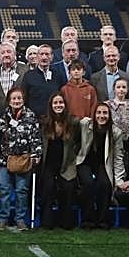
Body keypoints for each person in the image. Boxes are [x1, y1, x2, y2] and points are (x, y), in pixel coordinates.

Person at [0, 88, 41, 231]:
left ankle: (20, 219)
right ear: (9, 101)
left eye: (19, 98)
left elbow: (36, 137)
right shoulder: (3, 116)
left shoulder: (31, 116)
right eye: (14, 99)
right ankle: (3, 218)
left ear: (23, 100)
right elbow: (0, 137)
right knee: (4, 189)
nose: (16, 101)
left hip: (24, 159)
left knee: (22, 190)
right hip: (6, 159)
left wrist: (36, 154)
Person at [36, 92, 81, 229]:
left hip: (67, 164)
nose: (58, 105)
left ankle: (66, 222)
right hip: (48, 164)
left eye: (61, 103)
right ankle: (47, 222)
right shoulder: (44, 122)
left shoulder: (73, 122)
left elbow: (78, 143)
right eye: (55, 103)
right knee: (48, 187)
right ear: (51, 106)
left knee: (67, 187)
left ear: (65, 105)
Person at [76, 103, 124, 229]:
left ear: (109, 115)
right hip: (84, 161)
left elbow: (118, 157)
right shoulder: (85, 124)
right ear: (94, 114)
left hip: (103, 164)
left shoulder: (116, 132)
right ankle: (87, 220)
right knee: (88, 183)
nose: (101, 116)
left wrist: (119, 180)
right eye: (99, 113)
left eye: (105, 113)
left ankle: (103, 220)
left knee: (104, 184)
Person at [22, 44, 62, 118]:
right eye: (41, 54)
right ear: (37, 57)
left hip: (54, 118)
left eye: (47, 54)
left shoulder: (58, 75)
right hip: (35, 119)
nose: (44, 57)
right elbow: (24, 98)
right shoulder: (28, 76)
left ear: (52, 57)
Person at [0, 43, 26, 113]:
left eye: (9, 52)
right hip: (0, 115)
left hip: (21, 115)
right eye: (2, 53)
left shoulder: (25, 70)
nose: (6, 55)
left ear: (15, 54)